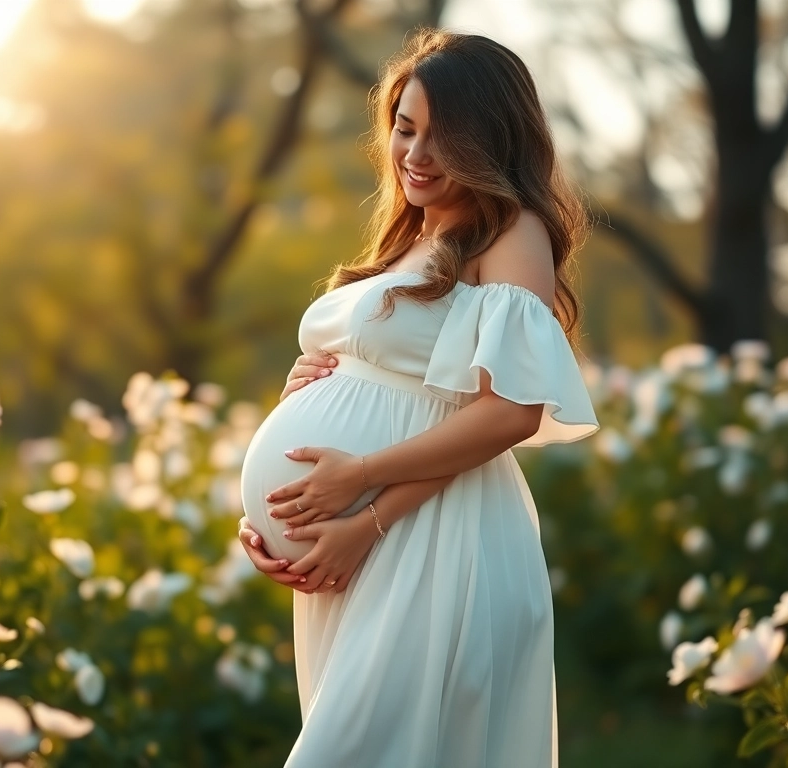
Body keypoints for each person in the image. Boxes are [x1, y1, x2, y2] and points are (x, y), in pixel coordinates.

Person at [235, 28, 600, 768]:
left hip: (438, 540)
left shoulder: (510, 232)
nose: (416, 154)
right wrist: (284, 505)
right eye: (405, 129)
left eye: (444, 137)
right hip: (360, 553)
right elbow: (388, 380)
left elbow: (509, 413)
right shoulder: (413, 234)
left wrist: (364, 501)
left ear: (491, 141)